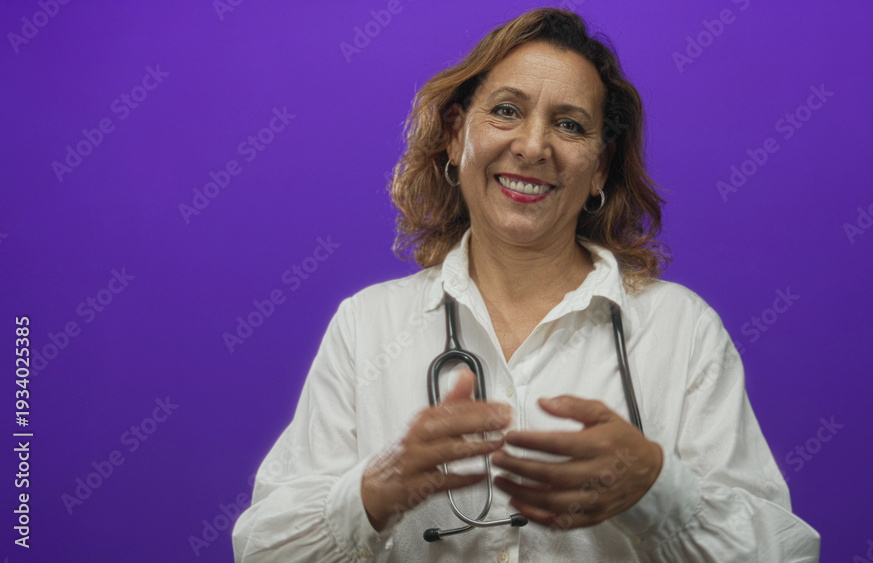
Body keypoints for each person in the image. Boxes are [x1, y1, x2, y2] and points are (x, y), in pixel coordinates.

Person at [232, 8, 821, 562]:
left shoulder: (681, 330)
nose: (533, 147)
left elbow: (788, 553)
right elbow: (259, 550)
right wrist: (370, 494)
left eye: (569, 125)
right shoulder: (367, 325)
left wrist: (657, 490)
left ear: (599, 166)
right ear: (457, 136)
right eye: (507, 111)